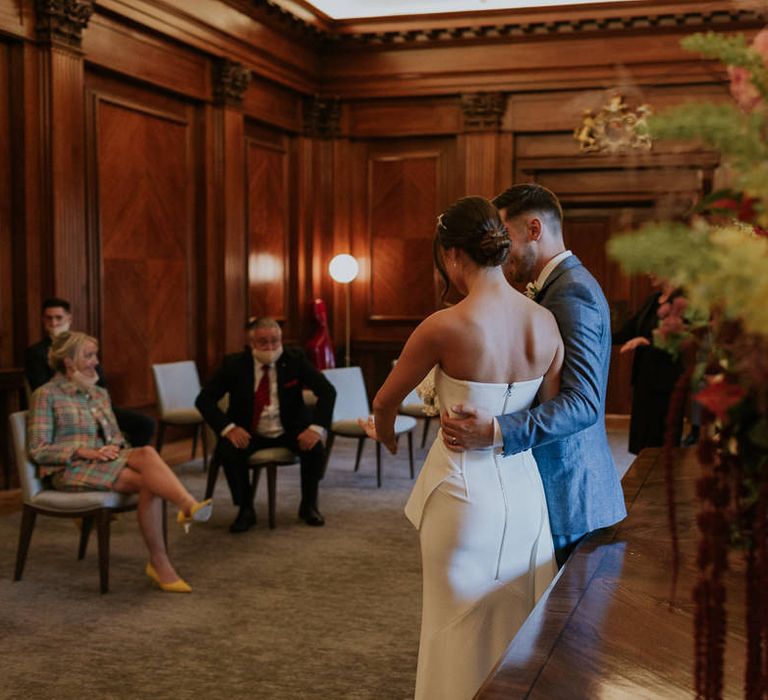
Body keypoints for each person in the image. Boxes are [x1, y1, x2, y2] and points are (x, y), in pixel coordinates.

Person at [361, 196, 562, 700]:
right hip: (525, 494)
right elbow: (550, 415)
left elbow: (386, 401)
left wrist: (383, 436)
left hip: (463, 495)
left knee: (452, 630)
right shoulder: (545, 322)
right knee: (518, 623)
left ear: (452, 255)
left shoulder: (445, 324)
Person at [441, 184, 626, 567]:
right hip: (553, 486)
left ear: (534, 230)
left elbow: (582, 403)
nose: (499, 249)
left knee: (568, 623)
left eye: (504, 235)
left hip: (570, 493)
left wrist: (496, 430)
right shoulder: (557, 289)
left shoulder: (572, 293)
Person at [27, 331, 212, 593]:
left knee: (148, 462)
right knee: (152, 474)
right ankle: (178, 525)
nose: (95, 361)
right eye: (88, 355)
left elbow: (115, 435)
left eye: (95, 355)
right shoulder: (46, 395)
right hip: (71, 469)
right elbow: (38, 449)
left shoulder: (100, 393)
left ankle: (163, 554)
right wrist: (83, 452)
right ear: (68, 361)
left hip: (106, 462)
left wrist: (114, 446)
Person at [195, 317, 336, 532]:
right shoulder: (234, 364)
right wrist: (228, 428)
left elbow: (327, 391)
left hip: (289, 428)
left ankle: (309, 505)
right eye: (263, 342)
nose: (270, 347)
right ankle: (245, 509)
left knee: (315, 448)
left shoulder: (295, 359)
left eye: (275, 341)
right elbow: (204, 400)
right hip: (249, 429)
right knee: (228, 451)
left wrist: (316, 428)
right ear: (252, 343)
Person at [25, 297, 155, 447]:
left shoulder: (85, 346)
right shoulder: (35, 352)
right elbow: (40, 387)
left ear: (69, 318)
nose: (54, 323)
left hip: (95, 403)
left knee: (145, 425)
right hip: (66, 409)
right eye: (49, 318)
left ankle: (125, 458)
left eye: (58, 318)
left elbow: (100, 382)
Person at [612, 278, 685, 454]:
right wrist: (594, 335)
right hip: (644, 379)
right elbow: (628, 331)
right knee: (643, 442)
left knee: (661, 442)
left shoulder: (682, 301)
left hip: (667, 382)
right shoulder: (653, 299)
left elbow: (682, 339)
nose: (648, 272)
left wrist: (648, 342)